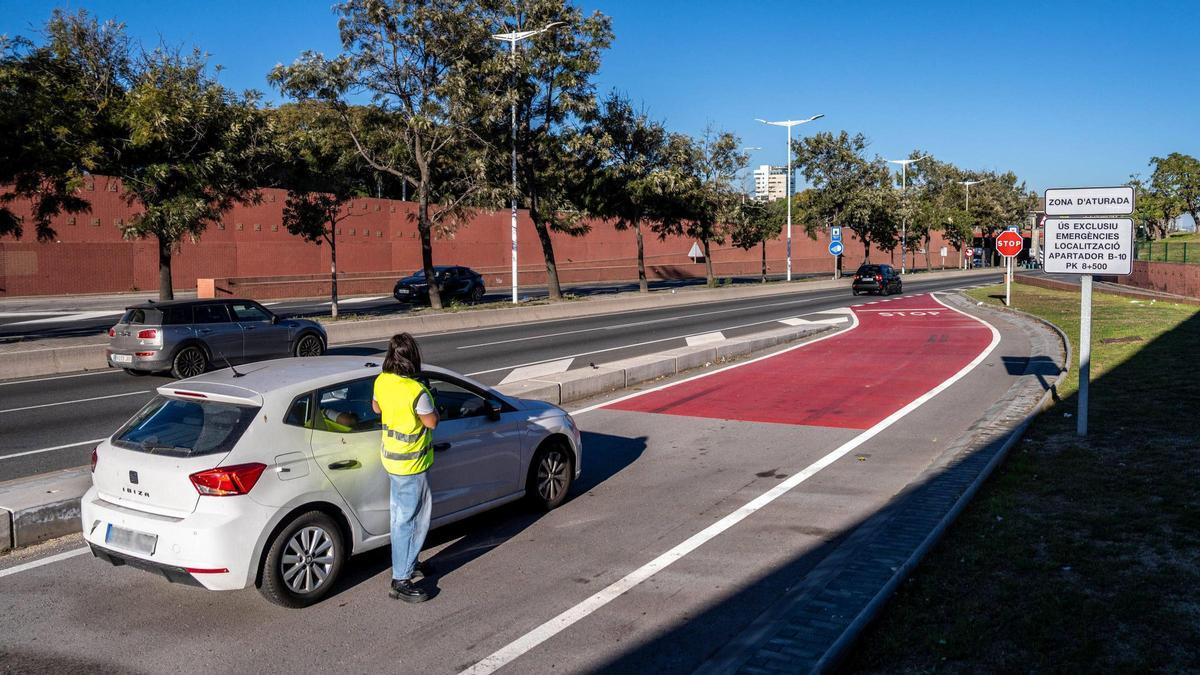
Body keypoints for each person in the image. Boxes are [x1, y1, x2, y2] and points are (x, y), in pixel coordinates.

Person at [372, 333, 438, 603]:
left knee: (400, 516)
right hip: (412, 464)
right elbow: (431, 422)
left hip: (391, 459)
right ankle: (401, 579)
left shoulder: (382, 381)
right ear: (413, 358)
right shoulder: (416, 392)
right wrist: (431, 400)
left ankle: (410, 561)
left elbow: (376, 408)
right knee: (412, 521)